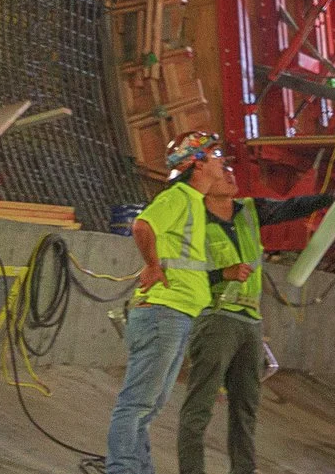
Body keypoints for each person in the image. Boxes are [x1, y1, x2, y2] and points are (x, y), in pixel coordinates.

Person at [175, 166, 334, 474]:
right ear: (204, 185)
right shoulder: (191, 222)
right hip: (216, 318)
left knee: (245, 407)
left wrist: (332, 198)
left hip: (250, 321)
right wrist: (223, 273)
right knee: (200, 406)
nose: (231, 174)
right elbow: (180, 274)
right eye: (223, 172)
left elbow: (292, 207)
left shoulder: (249, 210)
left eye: (232, 170)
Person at [110, 132, 229, 474]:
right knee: (137, 403)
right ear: (198, 163)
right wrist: (152, 265)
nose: (221, 160)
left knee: (149, 405)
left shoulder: (193, 202)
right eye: (215, 154)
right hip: (164, 312)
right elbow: (142, 225)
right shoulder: (179, 196)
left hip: (175, 314)